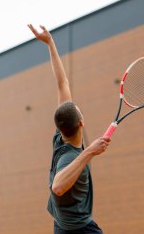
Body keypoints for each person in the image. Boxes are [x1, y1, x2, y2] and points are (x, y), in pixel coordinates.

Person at [28, 24, 110, 234]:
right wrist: (90, 151)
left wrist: (50, 43)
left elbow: (62, 83)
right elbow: (57, 186)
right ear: (81, 122)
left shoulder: (59, 138)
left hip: (62, 225)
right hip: (78, 230)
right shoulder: (70, 157)